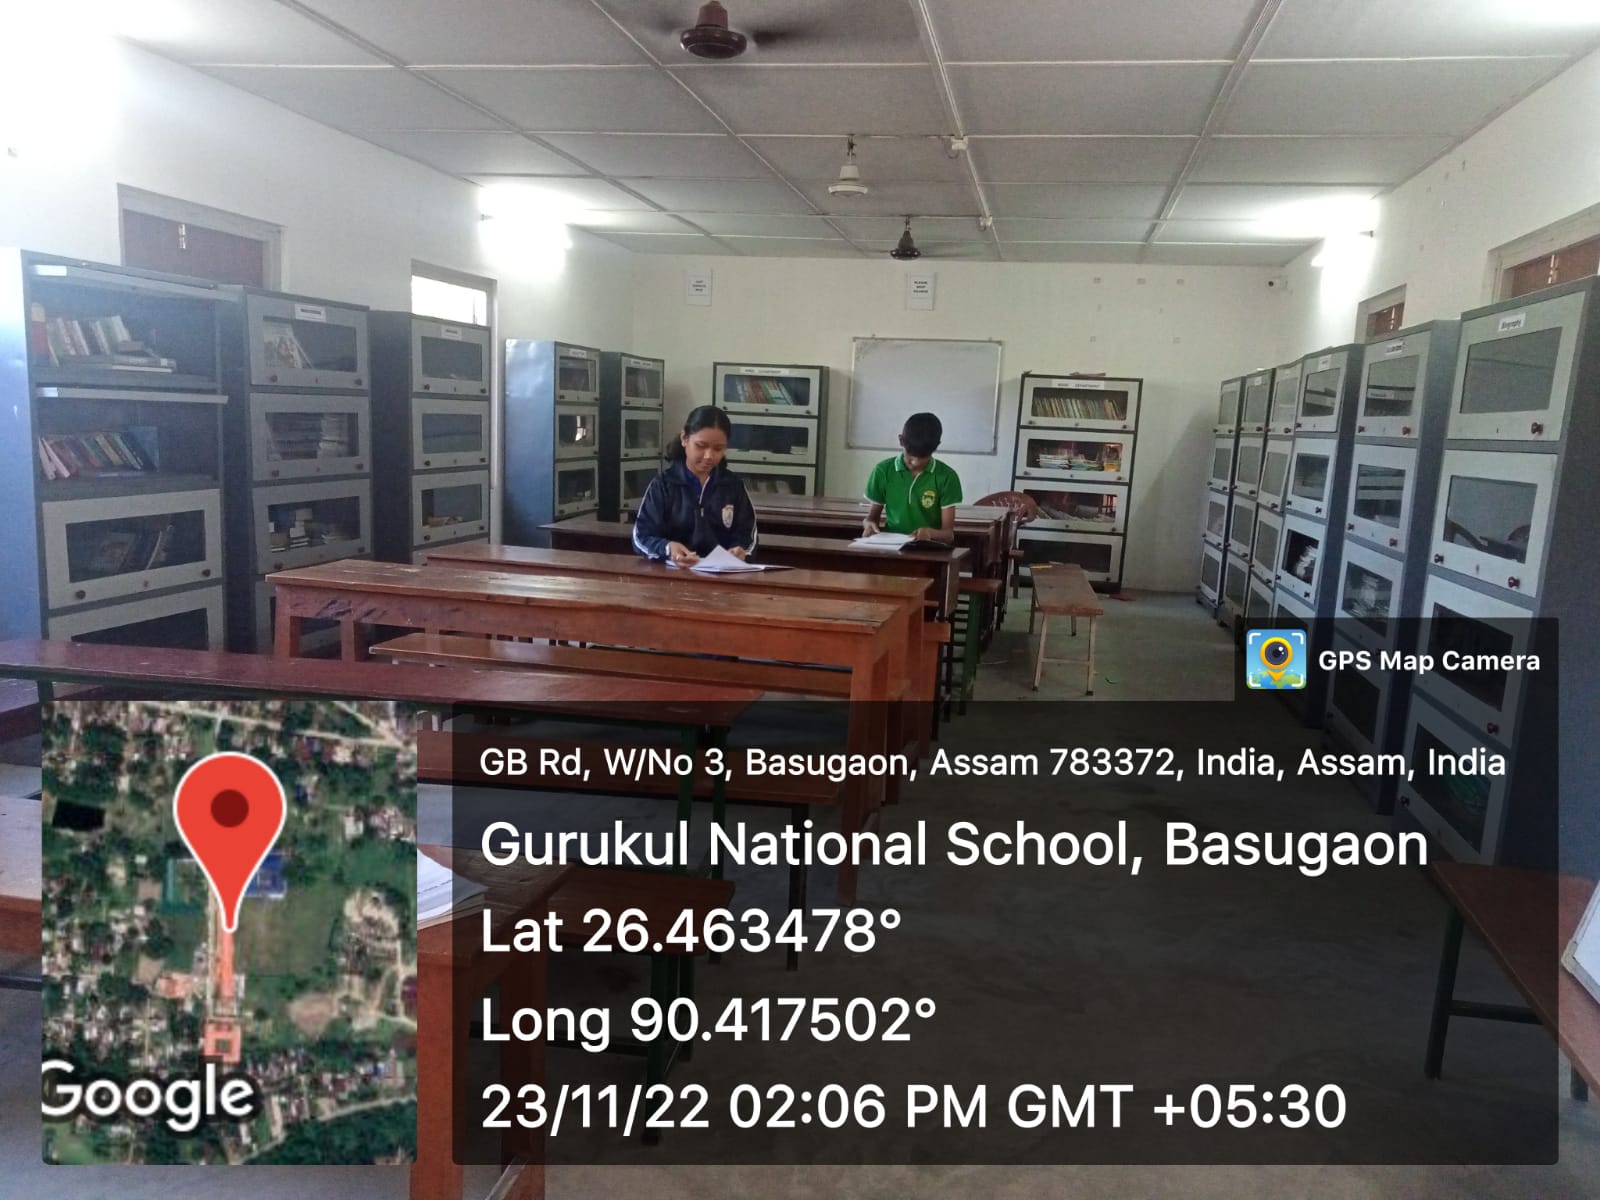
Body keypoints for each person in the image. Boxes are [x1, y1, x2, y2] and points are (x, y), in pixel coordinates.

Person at [632, 405, 758, 565]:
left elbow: (747, 535)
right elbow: (641, 537)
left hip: (722, 574)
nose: (709, 456)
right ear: (684, 438)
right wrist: (667, 548)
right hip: (674, 573)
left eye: (718, 449)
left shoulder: (733, 486)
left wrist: (741, 550)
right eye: (700, 446)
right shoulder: (663, 485)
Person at [862, 411, 962, 544]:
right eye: (910, 456)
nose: (915, 462)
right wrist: (869, 524)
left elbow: (948, 535)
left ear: (937, 446)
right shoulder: (883, 471)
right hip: (890, 546)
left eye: (922, 457)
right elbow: (872, 518)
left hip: (928, 548)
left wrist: (930, 533)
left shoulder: (947, 477)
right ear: (900, 440)